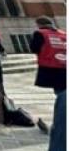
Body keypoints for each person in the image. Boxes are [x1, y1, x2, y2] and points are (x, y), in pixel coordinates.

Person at [29, 16, 66, 151]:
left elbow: (34, 48)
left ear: (39, 24)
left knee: (62, 97)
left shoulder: (40, 33)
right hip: (65, 66)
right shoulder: (63, 33)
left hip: (51, 68)